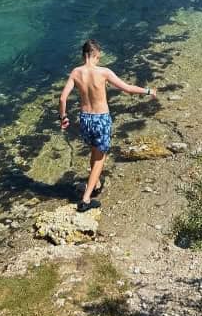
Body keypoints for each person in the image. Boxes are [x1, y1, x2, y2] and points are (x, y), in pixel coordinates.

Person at [59, 39, 157, 212]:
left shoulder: (76, 72)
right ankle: (86, 200)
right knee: (100, 158)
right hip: (101, 119)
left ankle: (94, 182)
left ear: (84, 55)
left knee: (94, 151)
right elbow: (127, 88)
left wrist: (64, 117)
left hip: (85, 119)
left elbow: (62, 98)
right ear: (96, 55)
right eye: (99, 57)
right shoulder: (103, 72)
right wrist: (148, 91)